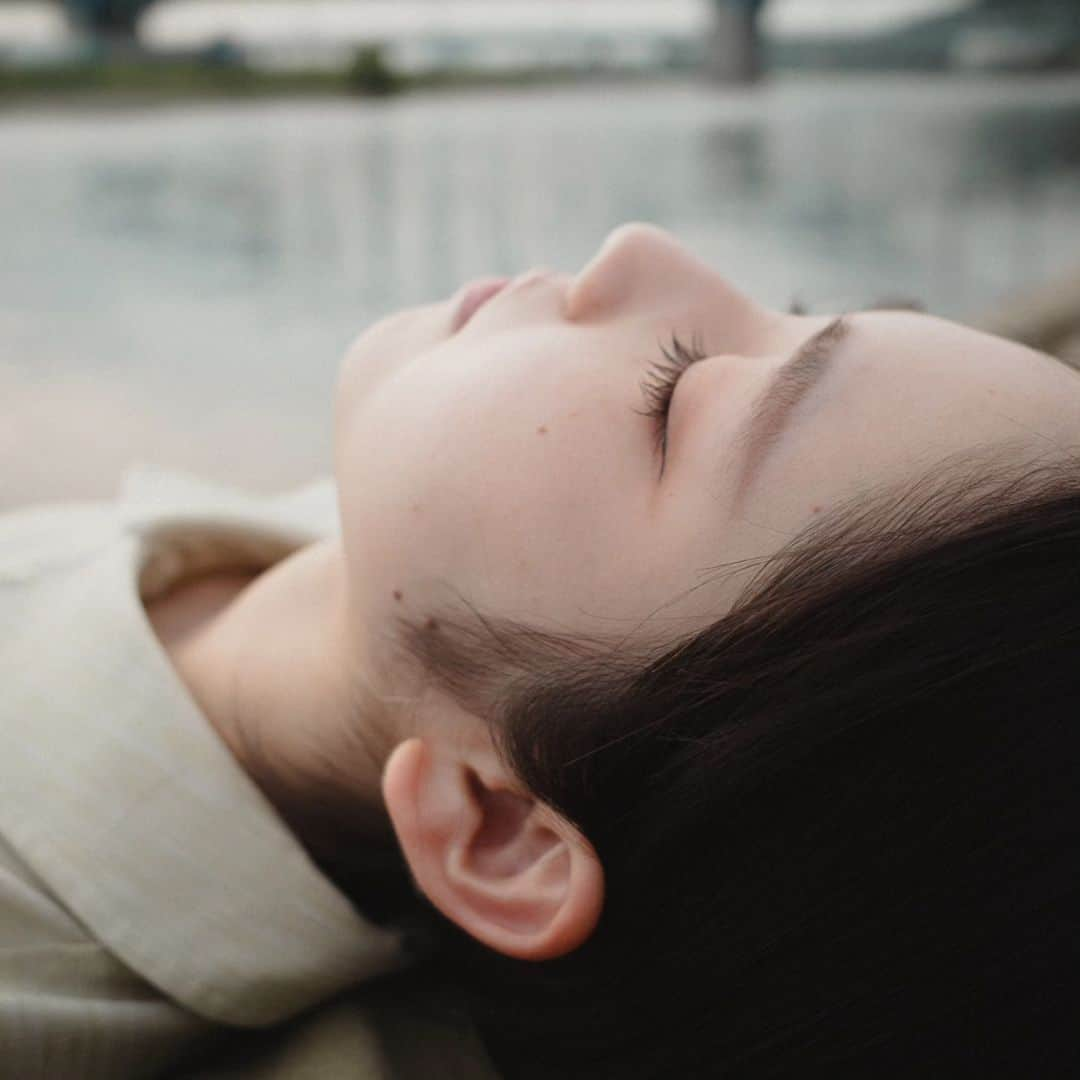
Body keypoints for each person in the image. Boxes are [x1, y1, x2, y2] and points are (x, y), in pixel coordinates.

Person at [3, 222, 1080, 1078]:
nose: (641, 245)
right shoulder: (411, 553)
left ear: (504, 833)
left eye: (681, 392)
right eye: (799, 314)